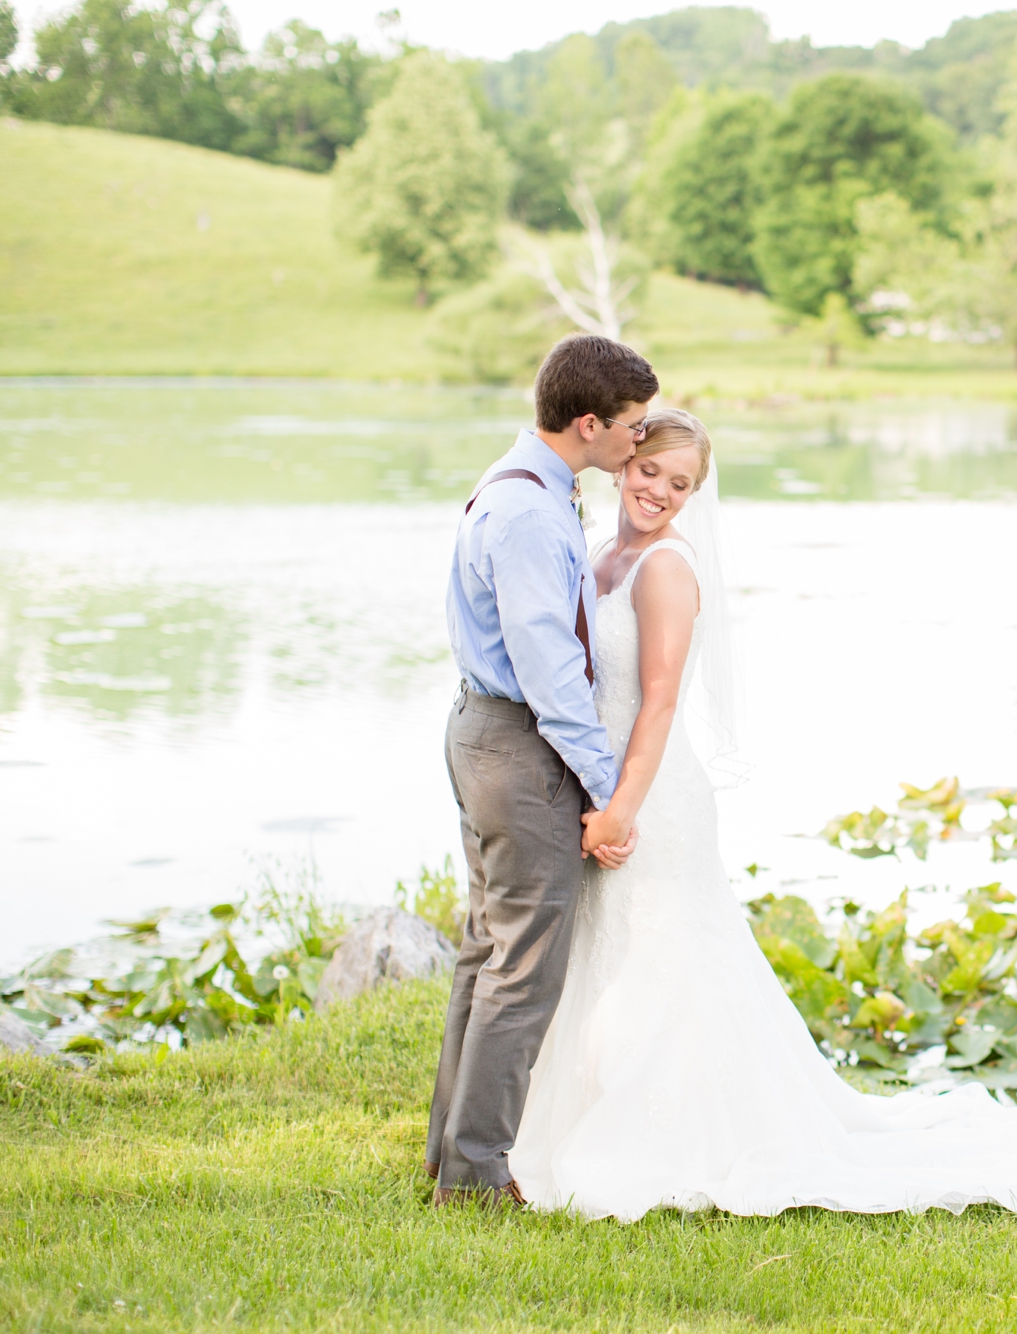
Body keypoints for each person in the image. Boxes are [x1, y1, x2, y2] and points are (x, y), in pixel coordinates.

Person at [509, 408, 1017, 1221]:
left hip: (652, 796)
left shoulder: (666, 568)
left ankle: (679, 1137)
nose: (659, 492)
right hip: (606, 787)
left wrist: (621, 808)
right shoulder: (604, 554)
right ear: (621, 462)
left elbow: (661, 701)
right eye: (650, 471)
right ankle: (577, 1117)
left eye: (680, 483)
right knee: (611, 957)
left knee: (666, 959)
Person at [428, 334, 659, 1206]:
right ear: (589, 422)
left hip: (486, 732)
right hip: (521, 746)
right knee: (522, 970)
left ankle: (454, 1160)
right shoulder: (528, 513)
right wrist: (609, 790)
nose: (638, 444)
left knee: (486, 952)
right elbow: (550, 670)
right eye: (631, 428)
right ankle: (480, 1180)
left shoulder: (526, 484)